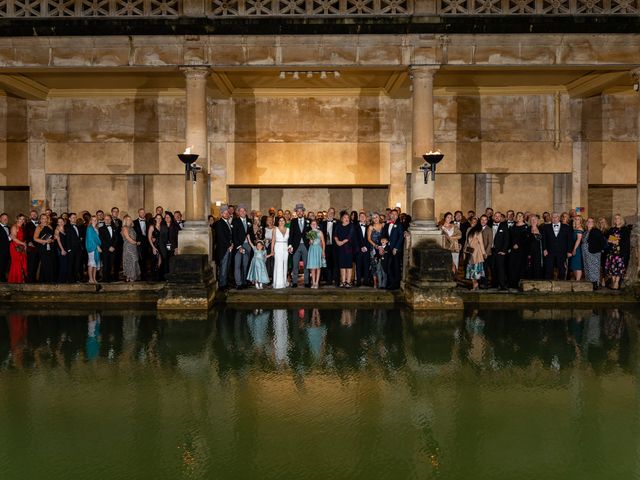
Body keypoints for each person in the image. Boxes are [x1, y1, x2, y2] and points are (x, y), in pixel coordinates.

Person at [541, 212, 573, 280]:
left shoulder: (566, 227)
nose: (554, 218)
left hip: (562, 251)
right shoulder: (546, 227)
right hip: (549, 251)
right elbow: (544, 239)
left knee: (561, 268)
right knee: (548, 268)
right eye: (553, 217)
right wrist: (544, 249)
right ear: (551, 218)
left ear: (559, 218)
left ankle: (561, 284)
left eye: (556, 217)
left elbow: (569, 240)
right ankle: (548, 284)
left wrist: (569, 251)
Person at [604, 213, 631, 290]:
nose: (616, 220)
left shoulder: (625, 229)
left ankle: (617, 282)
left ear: (621, 220)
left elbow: (625, 241)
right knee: (612, 267)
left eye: (618, 218)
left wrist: (616, 240)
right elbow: (607, 239)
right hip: (611, 251)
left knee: (619, 267)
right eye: (615, 218)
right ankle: (613, 281)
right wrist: (612, 240)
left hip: (620, 251)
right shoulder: (611, 229)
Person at [288, 203, 311, 288]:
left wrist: (311, 240)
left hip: (305, 245)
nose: (299, 212)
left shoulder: (308, 221)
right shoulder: (293, 221)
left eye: (301, 211)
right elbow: (291, 234)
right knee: (295, 265)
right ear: (296, 212)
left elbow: (311, 233)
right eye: (298, 211)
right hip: (296, 246)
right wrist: (290, 245)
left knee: (306, 265)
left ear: (303, 212)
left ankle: (307, 282)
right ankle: (294, 282)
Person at [232, 205, 254, 289]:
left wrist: (252, 244)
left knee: (246, 264)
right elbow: (234, 235)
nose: (242, 212)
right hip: (239, 246)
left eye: (244, 211)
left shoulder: (249, 221)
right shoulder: (235, 221)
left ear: (246, 212)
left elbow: (251, 234)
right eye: (240, 211)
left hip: (247, 245)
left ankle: (244, 282)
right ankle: (238, 283)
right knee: (237, 265)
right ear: (238, 212)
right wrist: (239, 246)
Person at [213, 207, 233, 290]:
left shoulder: (227, 223)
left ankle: (225, 283)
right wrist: (229, 245)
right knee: (223, 267)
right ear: (221, 214)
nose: (227, 214)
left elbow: (230, 235)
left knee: (227, 267)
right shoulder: (219, 223)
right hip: (223, 249)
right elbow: (221, 236)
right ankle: (222, 285)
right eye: (224, 213)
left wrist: (232, 244)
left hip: (229, 247)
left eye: (227, 213)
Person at [507, 212, 529, 288]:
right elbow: (509, 239)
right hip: (513, 250)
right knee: (512, 266)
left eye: (520, 216)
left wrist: (518, 244)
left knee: (521, 266)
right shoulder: (512, 227)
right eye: (518, 216)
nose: (519, 217)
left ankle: (521, 284)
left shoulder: (526, 227)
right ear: (516, 217)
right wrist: (510, 247)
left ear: (523, 218)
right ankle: (512, 283)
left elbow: (527, 239)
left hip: (522, 250)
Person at [582, 217, 605, 290]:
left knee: (594, 268)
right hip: (585, 252)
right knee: (587, 267)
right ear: (586, 223)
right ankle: (589, 283)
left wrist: (597, 250)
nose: (589, 223)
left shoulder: (596, 231)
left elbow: (602, 242)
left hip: (593, 252)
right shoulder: (585, 232)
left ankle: (595, 284)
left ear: (594, 223)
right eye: (588, 221)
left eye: (591, 222)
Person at [463, 220, 486, 291]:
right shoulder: (469, 230)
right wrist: (464, 250)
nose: (473, 223)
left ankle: (475, 285)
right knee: (470, 269)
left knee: (475, 269)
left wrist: (484, 253)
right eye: (472, 222)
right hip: (469, 251)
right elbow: (466, 241)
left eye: (475, 222)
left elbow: (481, 243)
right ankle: (475, 284)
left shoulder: (478, 231)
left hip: (476, 252)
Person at [384, 208, 404, 290]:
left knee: (395, 267)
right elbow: (384, 235)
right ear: (390, 215)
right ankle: (390, 283)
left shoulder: (399, 225)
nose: (393, 216)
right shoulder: (387, 225)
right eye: (392, 214)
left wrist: (396, 248)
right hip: (388, 249)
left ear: (397, 216)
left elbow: (401, 237)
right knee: (388, 266)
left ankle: (396, 284)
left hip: (395, 250)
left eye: (395, 214)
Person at [334, 211, 355, 288]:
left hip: (348, 248)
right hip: (340, 248)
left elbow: (350, 236)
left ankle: (348, 282)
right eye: (345, 218)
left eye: (347, 218)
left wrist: (341, 242)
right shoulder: (338, 226)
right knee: (342, 265)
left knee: (349, 265)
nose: (346, 219)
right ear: (342, 219)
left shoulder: (351, 226)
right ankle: (343, 281)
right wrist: (337, 241)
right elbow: (335, 235)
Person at [34, 213, 55, 283]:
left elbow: (52, 237)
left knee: (49, 263)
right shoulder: (39, 227)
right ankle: (48, 281)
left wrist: (52, 240)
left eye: (45, 218)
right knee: (46, 263)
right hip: (42, 248)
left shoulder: (50, 226)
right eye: (42, 218)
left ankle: (42, 280)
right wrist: (45, 241)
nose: (44, 220)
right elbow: (35, 239)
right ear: (40, 219)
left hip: (50, 248)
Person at [491, 212, 509, 290]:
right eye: (496, 216)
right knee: (492, 267)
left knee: (500, 268)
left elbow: (507, 239)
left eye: (499, 216)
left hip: (500, 251)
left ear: (501, 218)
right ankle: (494, 284)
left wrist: (504, 250)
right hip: (490, 250)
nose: (497, 217)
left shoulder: (504, 226)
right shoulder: (489, 225)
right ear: (493, 217)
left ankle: (502, 285)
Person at [305, 219, 325, 289]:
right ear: (310, 225)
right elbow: (309, 243)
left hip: (318, 249)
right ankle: (313, 282)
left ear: (317, 225)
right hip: (312, 249)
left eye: (315, 224)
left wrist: (323, 251)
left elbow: (323, 243)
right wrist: (310, 241)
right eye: (312, 224)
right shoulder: (310, 232)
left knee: (318, 267)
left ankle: (317, 282)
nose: (313, 225)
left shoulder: (320, 232)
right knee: (312, 267)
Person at [159, 212, 179, 280]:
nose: (167, 218)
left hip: (173, 247)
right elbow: (160, 238)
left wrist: (177, 248)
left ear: (171, 218)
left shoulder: (175, 226)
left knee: (172, 261)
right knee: (165, 262)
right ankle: (165, 277)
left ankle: (172, 276)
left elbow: (178, 238)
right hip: (164, 247)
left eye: (168, 217)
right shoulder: (162, 226)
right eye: (166, 217)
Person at [321, 207, 338, 286]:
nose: (331, 213)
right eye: (330, 212)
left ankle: (336, 280)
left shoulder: (337, 222)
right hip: (326, 246)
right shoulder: (322, 223)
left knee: (335, 263)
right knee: (327, 263)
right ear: (327, 213)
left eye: (332, 212)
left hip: (335, 246)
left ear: (334, 214)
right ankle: (329, 280)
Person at [271, 216, 290, 289]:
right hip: (278, 247)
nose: (281, 222)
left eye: (283, 220)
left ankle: (284, 282)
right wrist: (272, 250)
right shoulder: (275, 229)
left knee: (285, 264)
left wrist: (290, 247)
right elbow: (273, 241)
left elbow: (289, 241)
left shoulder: (288, 229)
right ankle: (278, 283)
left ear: (285, 221)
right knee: (278, 264)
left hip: (285, 247)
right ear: (278, 222)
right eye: (280, 220)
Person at [367, 212, 385, 288]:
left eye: (376, 217)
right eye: (374, 218)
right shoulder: (371, 227)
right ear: (372, 219)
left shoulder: (383, 225)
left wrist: (382, 246)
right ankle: (375, 283)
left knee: (382, 265)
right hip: (374, 249)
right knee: (374, 265)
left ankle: (382, 282)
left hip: (383, 247)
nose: (375, 219)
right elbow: (368, 239)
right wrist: (375, 245)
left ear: (379, 218)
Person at [121, 215, 141, 282]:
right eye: (127, 219)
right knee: (131, 261)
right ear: (125, 221)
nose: (129, 220)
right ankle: (130, 277)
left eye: (130, 219)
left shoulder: (132, 228)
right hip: (128, 247)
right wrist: (136, 243)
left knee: (133, 261)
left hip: (133, 247)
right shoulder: (125, 228)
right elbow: (128, 238)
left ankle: (129, 277)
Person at [8, 214, 27, 284]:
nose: (22, 220)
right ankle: (15, 280)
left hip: (20, 247)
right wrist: (23, 244)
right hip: (15, 247)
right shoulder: (14, 227)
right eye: (20, 219)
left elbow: (21, 238)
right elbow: (13, 238)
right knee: (16, 263)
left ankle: (20, 280)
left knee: (21, 263)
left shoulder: (22, 227)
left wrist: (23, 243)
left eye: (23, 219)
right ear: (17, 219)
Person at [99, 215, 118, 282]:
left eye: (108, 219)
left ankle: (109, 277)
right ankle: (105, 278)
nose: (107, 220)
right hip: (105, 249)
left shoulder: (114, 228)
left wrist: (113, 246)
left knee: (111, 264)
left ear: (111, 220)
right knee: (105, 264)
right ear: (104, 220)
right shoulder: (101, 229)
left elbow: (116, 238)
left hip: (113, 249)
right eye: (105, 219)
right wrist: (109, 247)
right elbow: (102, 240)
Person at [354, 211, 371, 286]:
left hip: (367, 249)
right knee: (358, 266)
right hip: (359, 250)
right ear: (359, 218)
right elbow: (355, 238)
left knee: (366, 265)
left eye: (363, 216)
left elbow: (370, 238)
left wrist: (366, 247)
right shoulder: (355, 227)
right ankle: (358, 282)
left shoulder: (369, 227)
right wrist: (361, 247)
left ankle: (366, 281)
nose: (362, 217)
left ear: (366, 218)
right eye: (360, 216)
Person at [64, 213, 83, 283]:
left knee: (77, 264)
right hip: (71, 249)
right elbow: (67, 238)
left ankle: (75, 278)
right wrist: (69, 249)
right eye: (73, 217)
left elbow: (79, 237)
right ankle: (70, 279)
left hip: (78, 249)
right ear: (69, 218)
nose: (74, 219)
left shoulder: (77, 226)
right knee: (71, 264)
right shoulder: (67, 227)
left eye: (75, 217)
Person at [133, 208, 149, 280]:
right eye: (141, 212)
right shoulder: (134, 222)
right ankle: (139, 275)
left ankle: (145, 275)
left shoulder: (148, 222)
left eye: (143, 212)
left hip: (147, 243)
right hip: (138, 244)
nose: (142, 214)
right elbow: (133, 233)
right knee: (139, 259)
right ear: (138, 213)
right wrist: (136, 241)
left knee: (145, 260)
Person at [85, 215, 102, 284]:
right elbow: (90, 239)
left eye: (96, 220)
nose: (94, 221)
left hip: (97, 247)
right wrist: (97, 247)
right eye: (93, 220)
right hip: (92, 248)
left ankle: (94, 278)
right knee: (91, 264)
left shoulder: (97, 228)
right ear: (91, 221)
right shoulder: (89, 228)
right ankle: (90, 279)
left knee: (95, 263)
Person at [24, 210, 39, 282]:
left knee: (36, 263)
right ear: (30, 216)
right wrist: (29, 242)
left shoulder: (40, 223)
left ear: (37, 215)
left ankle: (34, 278)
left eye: (35, 214)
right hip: (31, 246)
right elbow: (26, 234)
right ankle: (30, 279)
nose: (34, 215)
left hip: (39, 246)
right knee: (31, 263)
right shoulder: (27, 224)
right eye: (32, 214)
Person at [479, 214, 493, 288]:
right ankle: (479, 282)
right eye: (482, 220)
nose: (483, 221)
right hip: (478, 252)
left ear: (487, 221)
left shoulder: (489, 229)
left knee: (484, 268)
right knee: (479, 268)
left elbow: (490, 242)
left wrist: (486, 253)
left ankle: (485, 283)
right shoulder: (477, 228)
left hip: (486, 253)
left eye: (485, 220)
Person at [527, 214, 544, 279]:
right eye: (532, 220)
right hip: (529, 251)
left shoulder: (541, 229)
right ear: (530, 221)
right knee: (530, 266)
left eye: (535, 219)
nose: (533, 221)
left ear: (537, 221)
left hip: (539, 251)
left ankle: (538, 281)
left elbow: (544, 240)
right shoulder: (527, 229)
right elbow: (525, 241)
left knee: (538, 266)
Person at [147, 214, 163, 281]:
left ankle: (158, 276)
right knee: (154, 261)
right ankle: (153, 277)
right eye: (157, 218)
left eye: (160, 218)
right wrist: (153, 247)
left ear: (161, 219)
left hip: (161, 246)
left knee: (160, 261)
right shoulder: (152, 226)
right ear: (155, 219)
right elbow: (149, 238)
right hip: (155, 246)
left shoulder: (162, 226)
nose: (158, 219)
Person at [569, 216, 584, 281]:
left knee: (578, 265)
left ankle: (578, 280)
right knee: (574, 265)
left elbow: (578, 240)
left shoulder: (580, 228)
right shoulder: (574, 228)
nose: (577, 220)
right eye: (576, 219)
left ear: (580, 221)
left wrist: (574, 249)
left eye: (578, 219)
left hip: (577, 249)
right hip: (574, 247)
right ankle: (577, 280)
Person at [54, 217, 68, 284]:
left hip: (66, 248)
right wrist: (62, 250)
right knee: (63, 265)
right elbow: (58, 241)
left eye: (61, 221)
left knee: (65, 265)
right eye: (59, 222)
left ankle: (64, 280)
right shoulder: (57, 230)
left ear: (64, 221)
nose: (60, 222)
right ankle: (60, 281)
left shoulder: (66, 228)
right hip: (61, 249)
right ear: (57, 223)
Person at [0, 212, 11, 282]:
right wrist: (9, 238)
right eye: (4, 219)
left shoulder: (9, 228)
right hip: (0, 250)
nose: (5, 220)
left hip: (8, 251)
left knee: (5, 265)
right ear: (0, 219)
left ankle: (3, 278)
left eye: (6, 219)